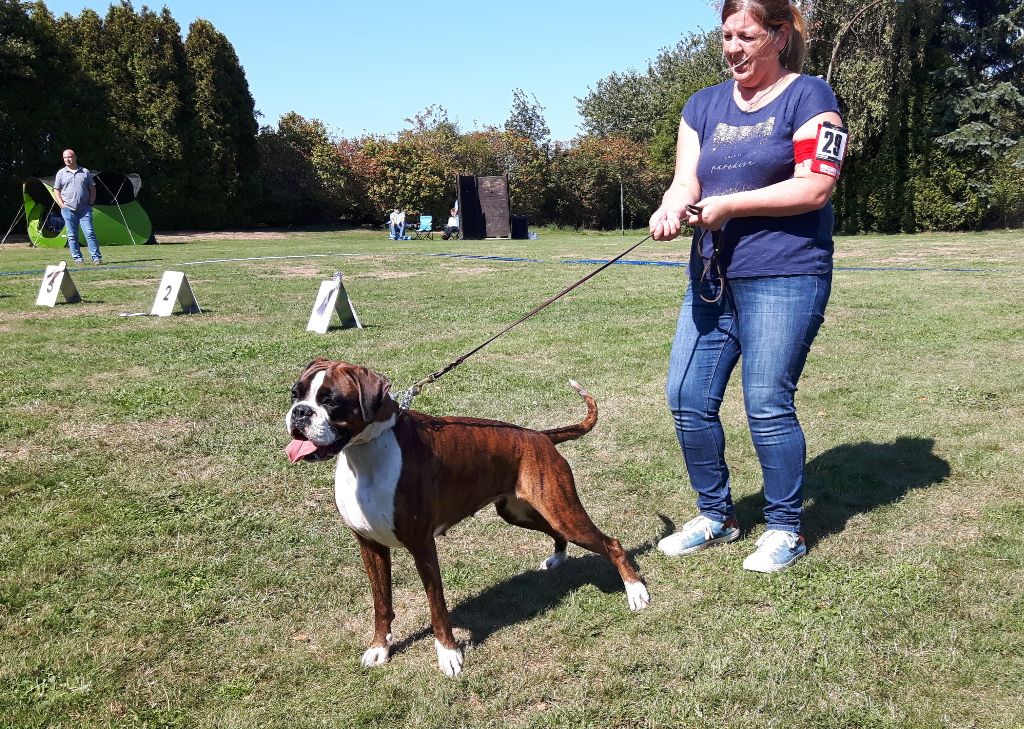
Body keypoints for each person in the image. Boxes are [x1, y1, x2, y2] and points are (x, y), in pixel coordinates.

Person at [648, 0, 846, 572]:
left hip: (786, 274)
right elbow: (685, 179)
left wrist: (731, 205)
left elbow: (815, 188)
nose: (732, 47)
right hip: (711, 278)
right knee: (686, 399)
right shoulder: (702, 105)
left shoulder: (810, 97)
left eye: (746, 35)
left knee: (766, 404)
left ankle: (786, 528)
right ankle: (717, 516)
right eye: (726, 35)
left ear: (779, 37)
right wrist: (670, 209)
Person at [53, 148, 102, 264]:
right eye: (65, 157)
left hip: (85, 209)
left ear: (75, 157)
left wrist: (91, 203)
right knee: (72, 235)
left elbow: (92, 188)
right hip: (68, 209)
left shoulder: (85, 171)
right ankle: (78, 259)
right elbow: (56, 190)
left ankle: (96, 258)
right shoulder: (61, 173)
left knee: (89, 233)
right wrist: (62, 205)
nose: (67, 159)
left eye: (69, 157)